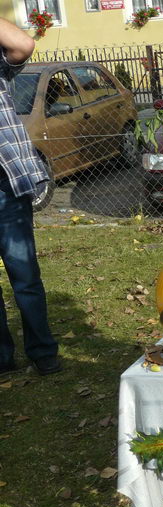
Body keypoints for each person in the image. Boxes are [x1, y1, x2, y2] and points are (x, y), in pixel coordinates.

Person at [0, 18, 60, 376]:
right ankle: (2, 358)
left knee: (24, 276)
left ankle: (42, 351)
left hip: (6, 189)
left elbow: (23, 44)